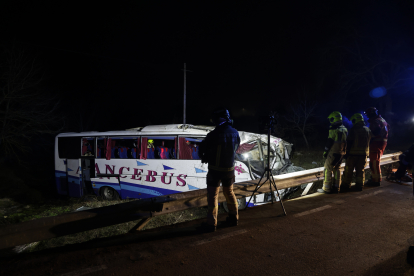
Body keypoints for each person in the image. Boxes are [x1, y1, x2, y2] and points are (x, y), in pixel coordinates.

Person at [197, 108, 240, 232]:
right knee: (230, 193)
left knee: (213, 196)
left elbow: (204, 150)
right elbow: (236, 148)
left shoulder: (213, 135)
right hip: (230, 171)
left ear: (218, 119)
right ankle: (234, 218)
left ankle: (211, 224)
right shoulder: (235, 133)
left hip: (215, 171)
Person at [318, 111, 348, 194]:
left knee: (327, 169)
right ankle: (336, 187)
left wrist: (325, 152)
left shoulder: (334, 129)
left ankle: (326, 188)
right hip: (341, 153)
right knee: (337, 169)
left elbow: (329, 141)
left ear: (334, 119)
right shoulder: (344, 129)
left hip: (334, 153)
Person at [341, 113, 372, 192]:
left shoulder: (353, 129)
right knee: (360, 171)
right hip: (363, 154)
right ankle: (359, 186)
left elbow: (349, 141)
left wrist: (346, 152)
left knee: (348, 171)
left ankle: (346, 186)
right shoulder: (367, 130)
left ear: (356, 120)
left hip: (352, 154)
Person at [365, 107, 389, 186]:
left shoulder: (375, 121)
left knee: (374, 162)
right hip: (382, 142)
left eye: (368, 115)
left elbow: (376, 131)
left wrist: (370, 138)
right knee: (376, 161)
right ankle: (375, 178)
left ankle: (375, 181)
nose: (368, 116)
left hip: (376, 143)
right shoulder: (382, 120)